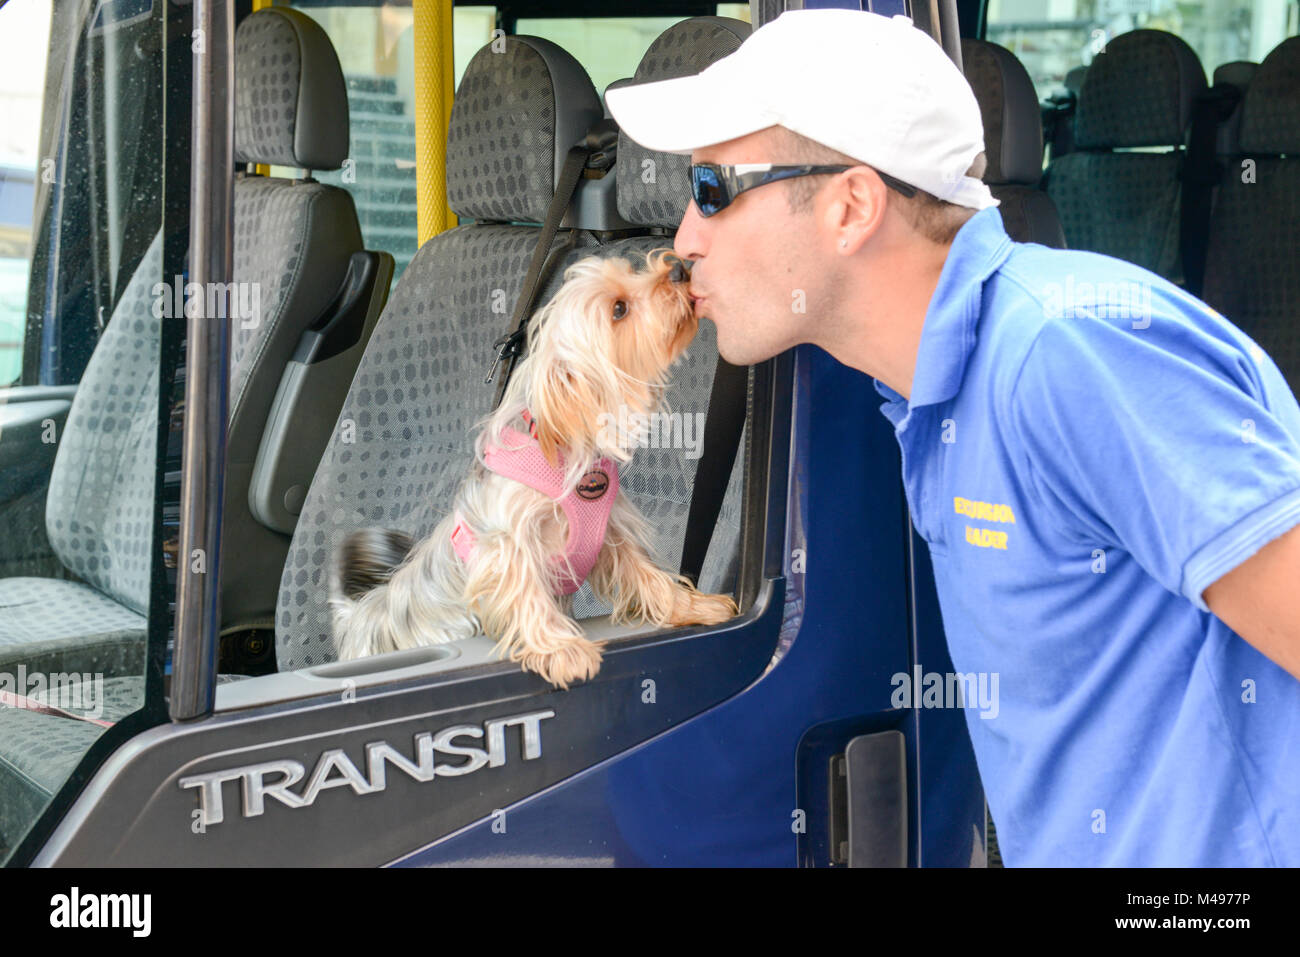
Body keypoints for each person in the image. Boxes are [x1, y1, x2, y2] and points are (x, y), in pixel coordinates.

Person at [606, 8, 1300, 866]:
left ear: (851, 205)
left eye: (712, 188)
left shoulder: (1067, 352)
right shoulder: (924, 395)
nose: (682, 238)